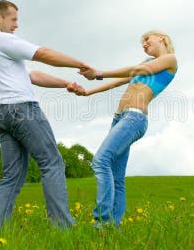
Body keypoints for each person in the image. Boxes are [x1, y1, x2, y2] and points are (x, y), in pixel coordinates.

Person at [0, 0, 95, 230]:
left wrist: (66, 83)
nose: (16, 26)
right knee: (52, 162)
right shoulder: (0, 38)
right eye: (13, 20)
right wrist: (81, 64)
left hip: (1, 114)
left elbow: (32, 76)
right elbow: (43, 54)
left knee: (13, 175)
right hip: (21, 109)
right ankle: (63, 228)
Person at [76, 30, 178, 226]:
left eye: (147, 40)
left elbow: (136, 71)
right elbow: (120, 81)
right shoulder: (147, 62)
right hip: (120, 119)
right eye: (143, 43)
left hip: (134, 118)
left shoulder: (170, 60)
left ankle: (102, 222)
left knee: (100, 161)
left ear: (162, 38)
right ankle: (113, 226)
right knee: (116, 177)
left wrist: (98, 72)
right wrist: (88, 92)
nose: (144, 44)